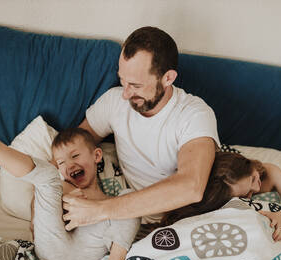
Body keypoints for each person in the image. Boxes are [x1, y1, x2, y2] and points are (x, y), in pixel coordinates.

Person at [0, 95, 139, 260]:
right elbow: (45, 195)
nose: (70, 164)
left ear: (97, 155)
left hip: (87, 254)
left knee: (130, 198)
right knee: (47, 179)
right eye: (62, 162)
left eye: (75, 156)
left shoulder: (111, 201)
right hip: (51, 251)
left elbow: (122, 224)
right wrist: (57, 195)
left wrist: (103, 210)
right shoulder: (60, 188)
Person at [62, 26, 220, 230]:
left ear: (168, 78)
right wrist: (57, 191)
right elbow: (69, 149)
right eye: (122, 80)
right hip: (126, 220)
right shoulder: (114, 101)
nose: (126, 94)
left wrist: (101, 209)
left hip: (177, 222)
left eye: (136, 86)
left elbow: (191, 186)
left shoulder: (194, 114)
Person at [159, 152, 281, 241]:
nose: (256, 188)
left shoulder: (271, 172)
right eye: (247, 194)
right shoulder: (220, 193)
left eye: (252, 179)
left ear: (249, 165)